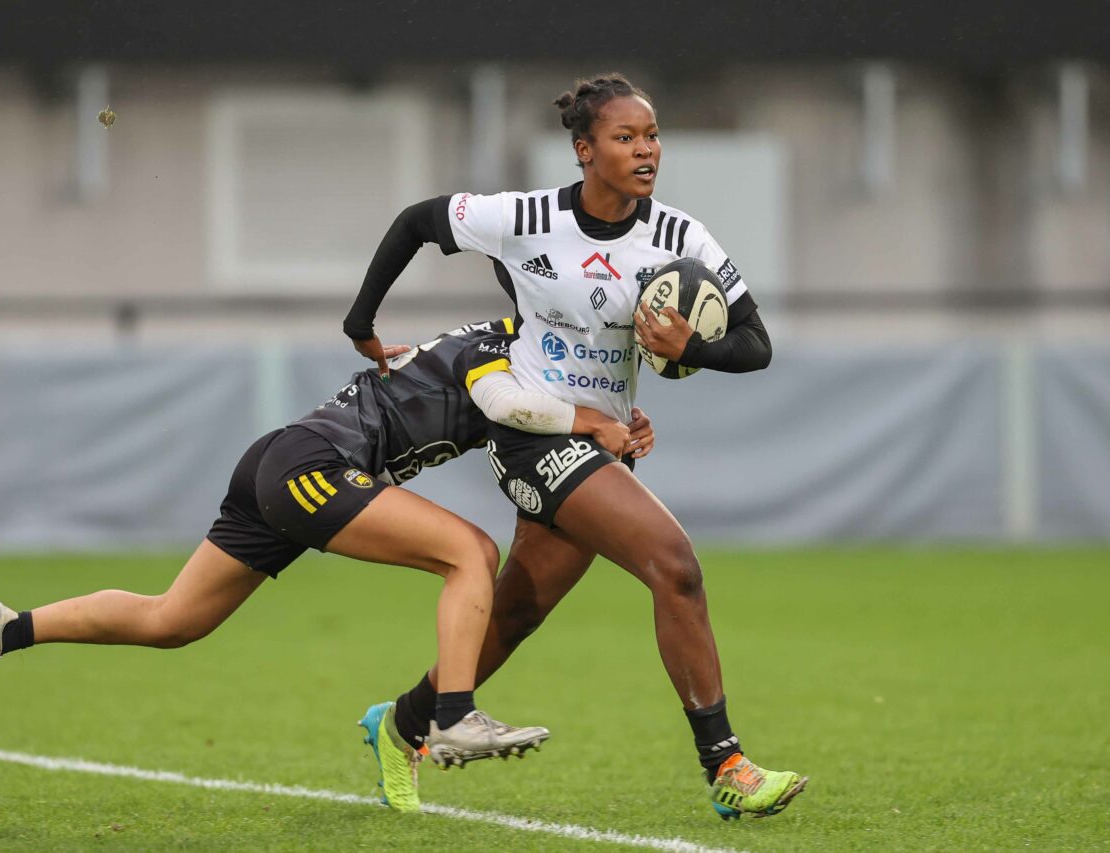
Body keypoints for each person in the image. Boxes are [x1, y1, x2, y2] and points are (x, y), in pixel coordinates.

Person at [344, 73, 807, 821]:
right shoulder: (523, 217)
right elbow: (415, 222)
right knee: (675, 565)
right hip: (534, 435)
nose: (645, 150)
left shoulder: (680, 238)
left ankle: (399, 726)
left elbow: (755, 344)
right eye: (625, 138)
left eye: (652, 136)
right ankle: (726, 764)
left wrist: (695, 348)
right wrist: (360, 322)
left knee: (515, 614)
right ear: (584, 150)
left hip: (605, 445)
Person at [0, 317, 644, 798]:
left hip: (281, 458)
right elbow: (506, 404)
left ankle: (7, 627)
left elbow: (535, 419)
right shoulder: (507, 338)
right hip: (314, 464)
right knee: (471, 551)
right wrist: (596, 423)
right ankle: (451, 714)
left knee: (173, 618)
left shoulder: (535, 360)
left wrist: (617, 424)